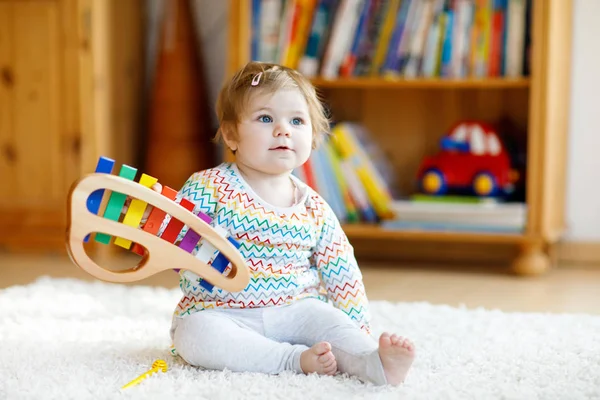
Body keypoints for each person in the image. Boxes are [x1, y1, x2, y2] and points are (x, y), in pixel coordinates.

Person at [154, 61, 415, 386]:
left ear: (314, 136)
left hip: (297, 310)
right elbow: (176, 239)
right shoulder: (210, 187)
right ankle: (290, 359)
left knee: (332, 323)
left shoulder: (314, 207)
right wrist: (169, 220)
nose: (283, 130)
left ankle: (373, 363)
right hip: (222, 310)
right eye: (265, 118)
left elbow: (342, 273)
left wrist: (356, 331)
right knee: (193, 335)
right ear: (232, 134)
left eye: (297, 120)